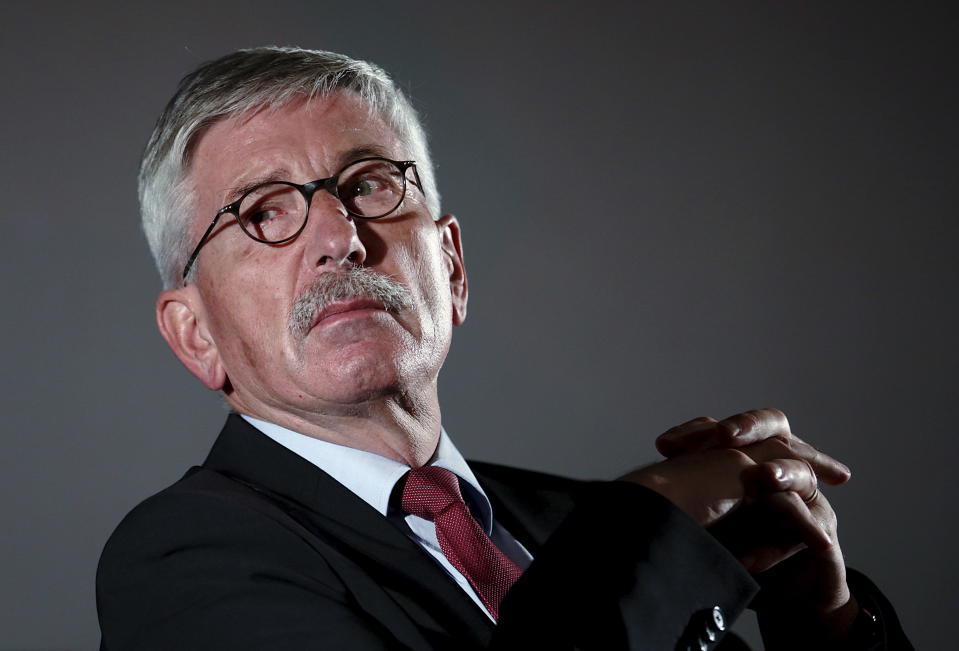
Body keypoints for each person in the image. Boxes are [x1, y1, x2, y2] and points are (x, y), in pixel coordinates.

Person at [96, 46, 911, 650]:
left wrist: (822, 624)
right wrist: (648, 535)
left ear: (449, 267)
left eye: (371, 184)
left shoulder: (580, 523)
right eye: (264, 213)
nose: (340, 238)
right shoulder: (179, 559)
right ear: (196, 335)